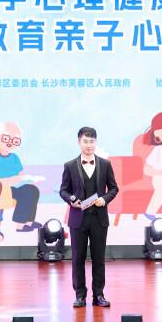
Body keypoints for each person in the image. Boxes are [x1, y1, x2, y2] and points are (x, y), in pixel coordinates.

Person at [59, 127, 119, 308]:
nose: (88, 145)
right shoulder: (70, 165)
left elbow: (114, 188)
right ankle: (80, 295)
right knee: (78, 258)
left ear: (96, 142)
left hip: (99, 219)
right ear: (79, 142)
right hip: (78, 219)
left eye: (92, 141)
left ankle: (99, 294)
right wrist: (71, 199)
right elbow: (63, 190)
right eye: (85, 141)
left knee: (99, 258)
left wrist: (104, 199)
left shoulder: (105, 164)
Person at [0, 122, 41, 232]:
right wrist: (12, 180)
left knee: (33, 190)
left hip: (15, 186)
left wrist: (30, 180)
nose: (10, 143)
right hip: (1, 189)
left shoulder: (15, 157)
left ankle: (29, 222)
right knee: (26, 193)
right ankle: (20, 225)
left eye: (15, 140)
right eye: (6, 138)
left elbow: (20, 175)